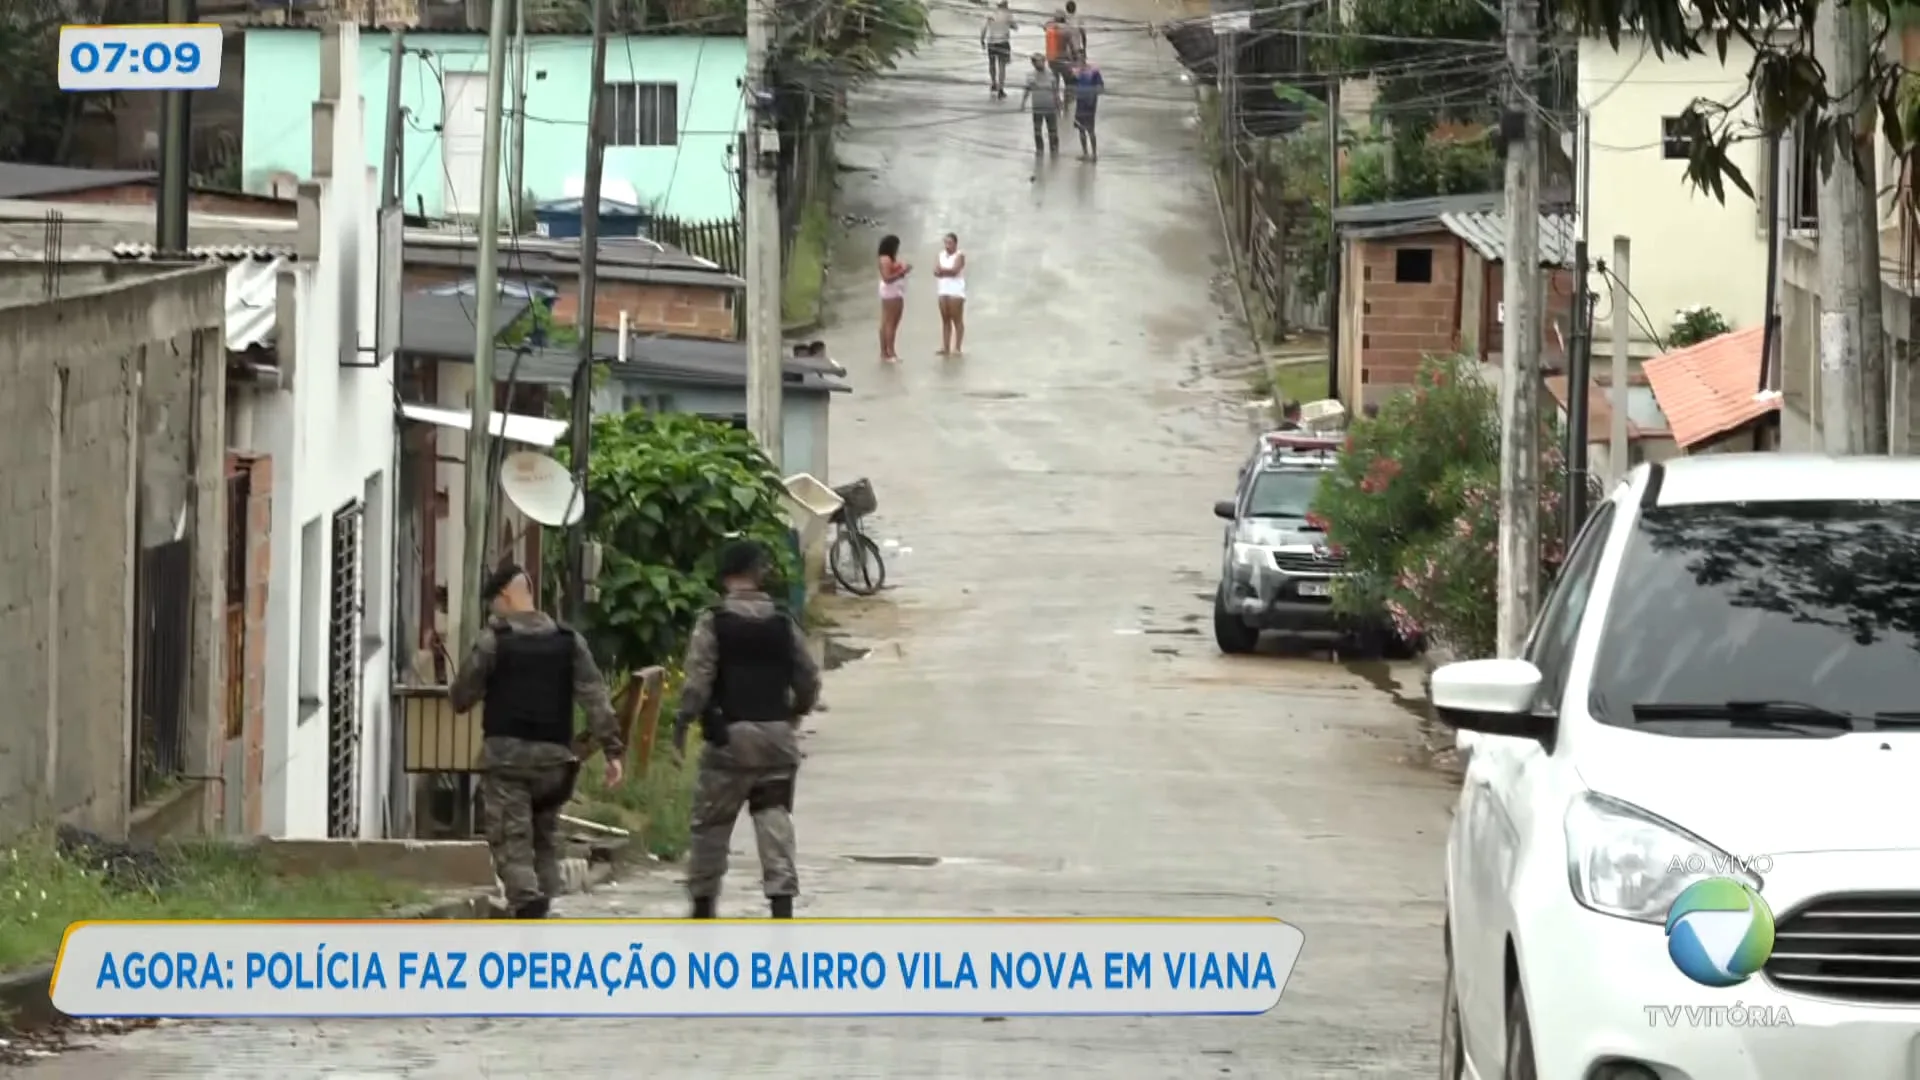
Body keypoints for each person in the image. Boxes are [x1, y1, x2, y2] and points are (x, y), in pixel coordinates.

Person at [450, 561, 623, 920]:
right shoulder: (568, 640)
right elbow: (595, 697)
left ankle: (529, 904)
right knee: (544, 838)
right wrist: (613, 751)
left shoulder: (494, 640)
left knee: (511, 842)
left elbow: (461, 696)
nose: (492, 613)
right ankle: (545, 904)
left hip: (508, 761)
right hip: (555, 764)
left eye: (493, 604)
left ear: (504, 598)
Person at [673, 539, 823, 920]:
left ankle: (703, 908)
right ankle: (782, 906)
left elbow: (697, 682)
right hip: (776, 743)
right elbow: (807, 679)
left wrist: (683, 721)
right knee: (774, 823)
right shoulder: (782, 621)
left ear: (726, 576)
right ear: (758, 575)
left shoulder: (713, 621)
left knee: (711, 826)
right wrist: (791, 715)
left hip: (729, 742)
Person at [876, 234, 910, 363]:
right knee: (891, 322)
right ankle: (890, 352)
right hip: (892, 292)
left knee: (886, 321)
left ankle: (885, 352)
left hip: (892, 291)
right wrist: (903, 272)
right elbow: (887, 278)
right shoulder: (885, 259)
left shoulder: (886, 259)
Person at [1020, 53, 1061, 156]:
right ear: (1033, 64)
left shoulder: (1051, 74)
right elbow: (1027, 90)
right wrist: (1023, 103)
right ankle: (1039, 149)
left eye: (1041, 62)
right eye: (1037, 62)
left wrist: (1058, 103)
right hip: (1037, 107)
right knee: (1037, 130)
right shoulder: (1030, 76)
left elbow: (1055, 90)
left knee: (1053, 130)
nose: (1039, 64)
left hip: (1050, 106)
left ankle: (1054, 149)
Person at [934, 233, 967, 356]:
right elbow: (936, 270)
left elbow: (955, 271)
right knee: (945, 319)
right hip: (943, 289)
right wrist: (942, 272)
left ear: (955, 243)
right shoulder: (941, 255)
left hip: (956, 291)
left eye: (950, 243)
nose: (947, 246)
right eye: (946, 243)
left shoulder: (960, 255)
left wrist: (943, 271)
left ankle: (957, 347)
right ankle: (945, 347)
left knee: (957, 319)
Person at [981, 0, 1017, 98]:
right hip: (1003, 42)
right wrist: (1009, 25)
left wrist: (982, 40)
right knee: (1002, 67)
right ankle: (1001, 89)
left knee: (992, 63)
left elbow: (984, 28)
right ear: (1005, 4)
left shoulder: (990, 13)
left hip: (991, 42)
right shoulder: (1008, 14)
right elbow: (1015, 27)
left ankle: (993, 84)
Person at [1071, 57, 1104, 161]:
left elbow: (1100, 87)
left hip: (1089, 104)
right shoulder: (1076, 73)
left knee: (1090, 130)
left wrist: (1092, 96)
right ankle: (1085, 153)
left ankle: (1094, 154)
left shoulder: (1093, 72)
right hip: (1080, 104)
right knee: (1081, 129)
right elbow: (1072, 87)